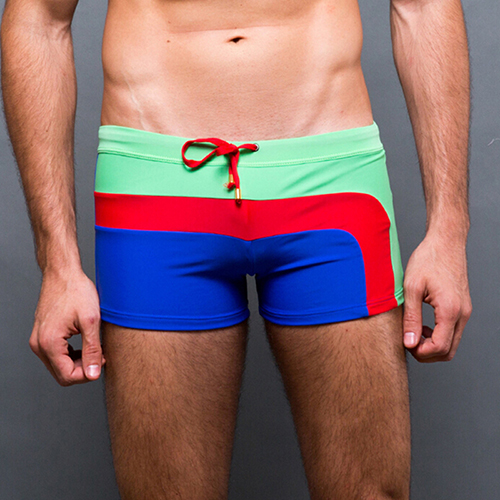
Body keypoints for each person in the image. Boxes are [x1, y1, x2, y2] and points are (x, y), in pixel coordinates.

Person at [0, 0, 472, 497]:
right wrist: (58, 263)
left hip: (333, 183)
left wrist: (448, 230)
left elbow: (423, 6)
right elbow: (39, 19)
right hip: (154, 187)